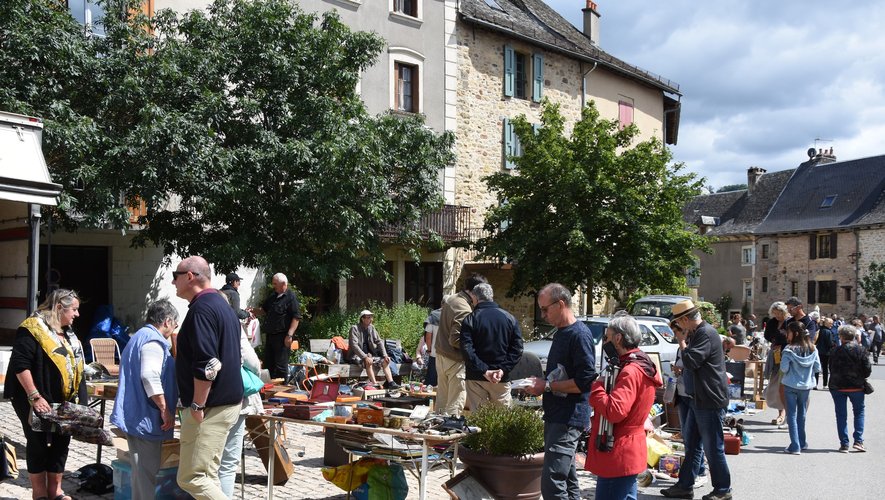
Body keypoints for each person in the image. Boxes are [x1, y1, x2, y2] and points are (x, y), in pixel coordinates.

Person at [172, 256, 244, 499]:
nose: (173, 282)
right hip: (225, 403)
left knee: (191, 478)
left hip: (210, 405)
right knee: (209, 475)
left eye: (176, 275)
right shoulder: (221, 304)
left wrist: (196, 404)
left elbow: (207, 364)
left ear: (190, 276)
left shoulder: (202, 309)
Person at [4, 289, 86, 500]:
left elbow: (78, 367)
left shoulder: (69, 333)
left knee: (61, 441)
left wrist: (82, 402)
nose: (77, 314)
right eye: (74, 310)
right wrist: (35, 396)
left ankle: (55, 491)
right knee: (38, 443)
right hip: (32, 398)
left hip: (63, 400)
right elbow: (20, 366)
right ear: (59, 307)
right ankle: (39, 494)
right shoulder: (32, 329)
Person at [524, 283, 597, 500]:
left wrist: (546, 385)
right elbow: (561, 374)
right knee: (567, 479)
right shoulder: (561, 333)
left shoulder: (579, 335)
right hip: (557, 415)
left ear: (561, 304)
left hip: (568, 418)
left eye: (545, 309)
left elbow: (585, 381)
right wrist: (539, 384)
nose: (543, 315)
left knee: (552, 483)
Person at [585, 314, 662, 500]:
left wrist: (596, 387)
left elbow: (614, 411)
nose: (605, 341)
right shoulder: (642, 363)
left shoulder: (630, 370)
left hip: (618, 450)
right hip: (628, 446)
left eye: (607, 336)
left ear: (618, 338)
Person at [661, 300, 732, 500]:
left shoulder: (705, 333)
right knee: (692, 445)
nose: (678, 328)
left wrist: (681, 341)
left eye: (678, 323)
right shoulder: (697, 333)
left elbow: (691, 361)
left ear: (685, 319)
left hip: (709, 399)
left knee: (713, 447)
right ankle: (684, 486)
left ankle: (723, 489)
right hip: (696, 399)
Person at [110, 300, 179, 500]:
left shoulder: (139, 336)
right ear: (167, 321)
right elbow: (149, 375)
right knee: (146, 474)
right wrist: (164, 408)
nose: (173, 330)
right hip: (145, 417)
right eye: (174, 325)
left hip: (136, 414)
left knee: (141, 473)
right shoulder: (153, 340)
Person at [218, 309, 264, 498]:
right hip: (232, 398)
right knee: (227, 463)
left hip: (204, 400)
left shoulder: (198, 320)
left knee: (209, 463)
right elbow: (252, 362)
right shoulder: (231, 324)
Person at [460, 283, 523, 410]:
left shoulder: (471, 319)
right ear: (492, 296)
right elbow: (517, 348)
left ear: (474, 298)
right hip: (500, 377)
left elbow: (467, 349)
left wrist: (484, 370)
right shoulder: (509, 318)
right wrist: (502, 369)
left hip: (476, 376)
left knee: (478, 418)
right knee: (502, 419)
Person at [435, 273, 487, 416]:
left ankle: (435, 429)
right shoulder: (464, 308)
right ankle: (449, 433)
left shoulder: (452, 299)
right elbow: (456, 339)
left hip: (441, 355)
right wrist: (476, 349)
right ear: (474, 291)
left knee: (442, 399)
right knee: (455, 401)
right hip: (454, 360)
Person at [828, 324, 871, 452]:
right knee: (859, 413)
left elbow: (831, 368)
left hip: (838, 386)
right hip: (856, 386)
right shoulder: (861, 350)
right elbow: (867, 370)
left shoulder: (835, 351)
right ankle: (858, 440)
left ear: (841, 337)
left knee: (841, 415)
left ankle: (844, 444)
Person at [250, 273, 302, 379]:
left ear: (283, 284)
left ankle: (283, 392)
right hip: (270, 336)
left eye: (275, 284)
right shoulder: (273, 297)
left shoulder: (291, 297)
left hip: (282, 336)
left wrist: (289, 335)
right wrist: (251, 310)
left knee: (281, 366)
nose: (273, 286)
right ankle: (269, 391)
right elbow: (263, 310)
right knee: (268, 364)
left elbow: (296, 317)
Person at [779, 321, 821, 454]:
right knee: (802, 414)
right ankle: (802, 442)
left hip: (790, 384)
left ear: (795, 333)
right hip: (806, 385)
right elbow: (817, 368)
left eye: (789, 332)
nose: (787, 335)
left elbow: (784, 368)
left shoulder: (788, 349)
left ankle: (795, 445)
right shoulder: (813, 349)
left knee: (791, 414)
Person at [346, 310, 399, 389]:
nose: (371, 319)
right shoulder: (354, 328)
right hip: (356, 355)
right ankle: (374, 384)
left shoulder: (371, 328)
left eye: (371, 317)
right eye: (368, 317)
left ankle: (391, 383)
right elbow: (354, 346)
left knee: (385, 361)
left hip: (370, 355)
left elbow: (379, 342)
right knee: (368, 361)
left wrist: (385, 355)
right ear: (362, 319)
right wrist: (364, 357)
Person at [763, 301, 788, 426]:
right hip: (776, 354)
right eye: (775, 314)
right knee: (776, 384)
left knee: (784, 384)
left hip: (787, 355)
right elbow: (767, 335)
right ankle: (781, 413)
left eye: (779, 313)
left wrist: (780, 339)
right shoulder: (772, 322)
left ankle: (785, 413)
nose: (777, 316)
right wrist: (774, 339)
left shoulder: (789, 322)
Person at [815, 316, 837, 389]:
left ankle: (815, 384)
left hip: (819, 350)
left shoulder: (820, 330)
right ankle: (825, 384)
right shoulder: (828, 332)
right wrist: (834, 344)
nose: (832, 325)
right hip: (826, 352)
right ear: (828, 323)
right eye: (831, 323)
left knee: (817, 368)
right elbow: (829, 343)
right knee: (825, 369)